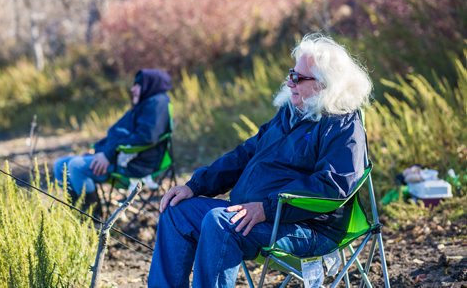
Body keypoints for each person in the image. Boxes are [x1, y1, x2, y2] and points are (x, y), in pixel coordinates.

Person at [148, 33, 372, 288]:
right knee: (177, 211)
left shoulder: (342, 124)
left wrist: (267, 209)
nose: (290, 83)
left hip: (307, 228)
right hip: (257, 216)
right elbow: (244, 155)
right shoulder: (289, 114)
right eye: (291, 74)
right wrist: (195, 186)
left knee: (221, 223)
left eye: (298, 78)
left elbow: (334, 186)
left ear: (323, 84)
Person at [53, 69, 172, 207]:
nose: (132, 89)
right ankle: (75, 209)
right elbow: (120, 135)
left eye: (138, 85)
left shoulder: (156, 104)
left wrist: (108, 155)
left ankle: (91, 215)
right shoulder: (144, 105)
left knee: (76, 167)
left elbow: (146, 137)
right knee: (60, 164)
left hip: (134, 165)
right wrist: (99, 152)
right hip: (120, 157)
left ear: (150, 85)